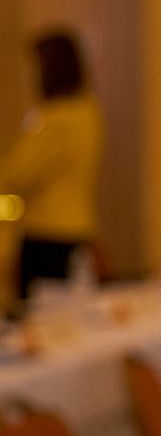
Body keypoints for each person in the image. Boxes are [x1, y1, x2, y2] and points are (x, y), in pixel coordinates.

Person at [0, 29, 104, 312]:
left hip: (46, 234)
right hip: (80, 229)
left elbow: (17, 174)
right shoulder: (88, 113)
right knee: (72, 313)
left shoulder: (52, 119)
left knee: (43, 316)